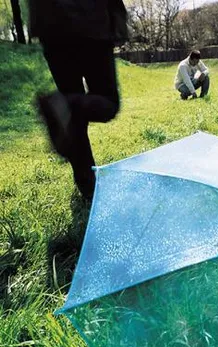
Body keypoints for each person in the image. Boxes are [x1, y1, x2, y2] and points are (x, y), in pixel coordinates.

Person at [28, 0, 129, 199]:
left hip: (51, 26)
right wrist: (118, 21)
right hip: (92, 22)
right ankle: (63, 102)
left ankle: (88, 186)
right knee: (108, 103)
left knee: (73, 117)